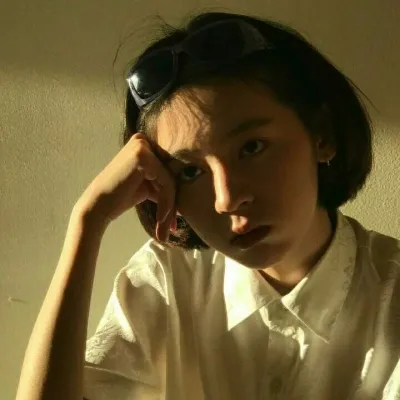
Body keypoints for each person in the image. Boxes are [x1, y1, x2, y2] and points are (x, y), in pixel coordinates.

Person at [16, 11, 400, 400]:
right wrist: (88, 220)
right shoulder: (165, 279)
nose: (227, 198)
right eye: (190, 172)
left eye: (252, 148)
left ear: (323, 135)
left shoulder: (392, 298)